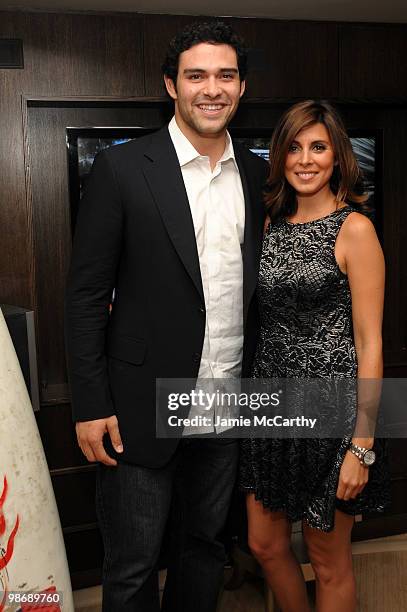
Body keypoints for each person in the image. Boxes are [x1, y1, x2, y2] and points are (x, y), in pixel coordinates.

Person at [65, 20, 268, 612]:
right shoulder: (124, 170)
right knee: (131, 565)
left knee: (203, 549)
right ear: (170, 86)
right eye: (196, 75)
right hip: (137, 403)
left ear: (242, 87)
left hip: (227, 402)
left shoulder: (258, 176)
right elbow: (84, 296)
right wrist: (91, 405)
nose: (212, 88)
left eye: (225, 75)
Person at [239, 100, 390, 612]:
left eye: (319, 147)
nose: (306, 159)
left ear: (337, 157)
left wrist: (361, 445)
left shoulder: (356, 230)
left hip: (333, 418)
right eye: (295, 147)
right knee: (264, 544)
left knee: (328, 561)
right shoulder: (270, 225)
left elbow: (370, 343)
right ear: (280, 156)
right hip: (270, 408)